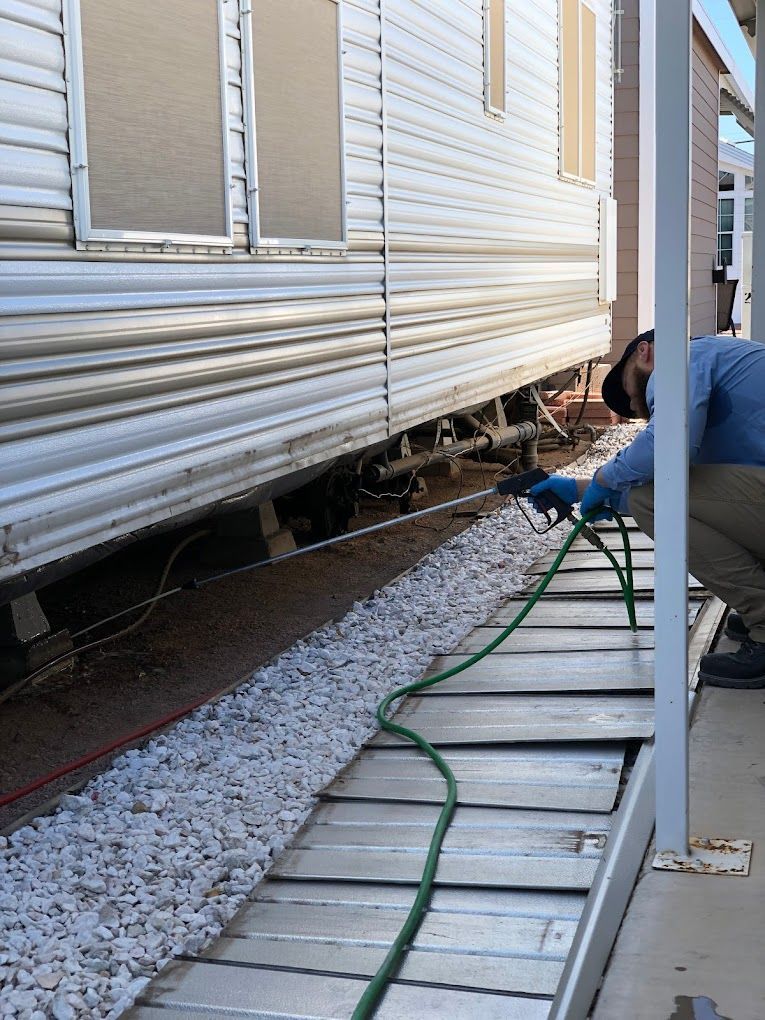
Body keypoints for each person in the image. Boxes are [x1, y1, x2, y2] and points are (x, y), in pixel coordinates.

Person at [530, 330, 765, 689]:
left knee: (652, 500)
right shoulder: (723, 375)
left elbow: (665, 450)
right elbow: (695, 492)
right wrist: (584, 491)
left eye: (629, 389)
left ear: (644, 352)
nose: (636, 403)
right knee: (654, 498)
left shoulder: (685, 357)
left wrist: (603, 479)